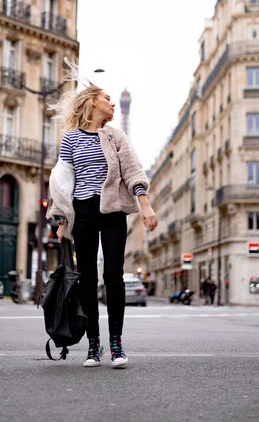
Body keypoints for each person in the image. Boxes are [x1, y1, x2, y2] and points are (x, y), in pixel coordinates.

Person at [48, 66, 158, 369]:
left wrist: (145, 205)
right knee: (86, 279)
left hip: (111, 211)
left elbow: (134, 171)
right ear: (92, 103)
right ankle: (93, 346)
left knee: (113, 275)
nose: (111, 102)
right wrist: (61, 221)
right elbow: (62, 182)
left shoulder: (115, 135)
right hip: (82, 212)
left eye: (112, 99)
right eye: (106, 98)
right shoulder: (70, 139)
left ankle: (116, 343)